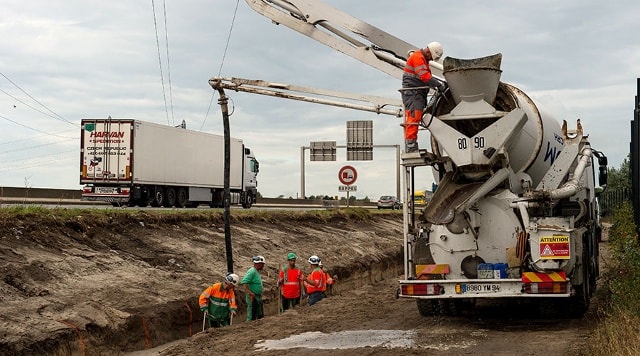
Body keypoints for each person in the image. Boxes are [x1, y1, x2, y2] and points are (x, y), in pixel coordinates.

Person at [401, 41, 445, 153]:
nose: (431, 60)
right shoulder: (418, 58)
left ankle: (411, 145)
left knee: (414, 118)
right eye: (431, 58)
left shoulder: (422, 59)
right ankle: (411, 146)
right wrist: (439, 85)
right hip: (413, 93)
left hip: (416, 93)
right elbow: (425, 76)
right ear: (429, 52)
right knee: (413, 118)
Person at [241, 255, 265, 321]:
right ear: (259, 264)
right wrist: (250, 293)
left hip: (257, 297)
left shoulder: (256, 272)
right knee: (252, 316)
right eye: (262, 264)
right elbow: (244, 282)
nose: (263, 266)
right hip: (252, 297)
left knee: (259, 315)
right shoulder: (252, 271)